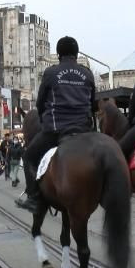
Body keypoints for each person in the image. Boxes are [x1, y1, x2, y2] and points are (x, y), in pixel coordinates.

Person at [16, 36, 96, 213]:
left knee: (29, 157)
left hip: (56, 129)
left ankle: (34, 198)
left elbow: (41, 102)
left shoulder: (51, 73)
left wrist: (45, 121)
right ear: (76, 53)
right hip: (83, 129)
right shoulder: (87, 73)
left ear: (59, 54)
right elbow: (93, 104)